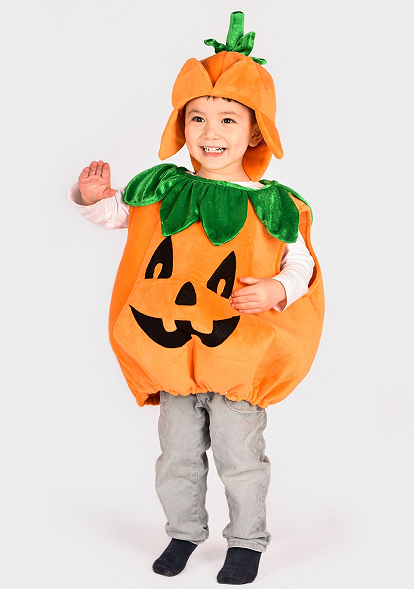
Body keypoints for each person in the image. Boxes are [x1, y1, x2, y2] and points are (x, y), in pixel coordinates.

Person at [68, 12, 324, 585]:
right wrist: (94, 197)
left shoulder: (274, 204)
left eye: (229, 119)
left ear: (254, 132)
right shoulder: (164, 189)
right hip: (175, 363)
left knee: (241, 461)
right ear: (181, 125)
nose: (211, 131)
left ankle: (247, 542)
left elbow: (302, 264)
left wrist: (278, 288)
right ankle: (184, 533)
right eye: (197, 117)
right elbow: (121, 218)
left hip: (236, 363)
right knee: (176, 460)